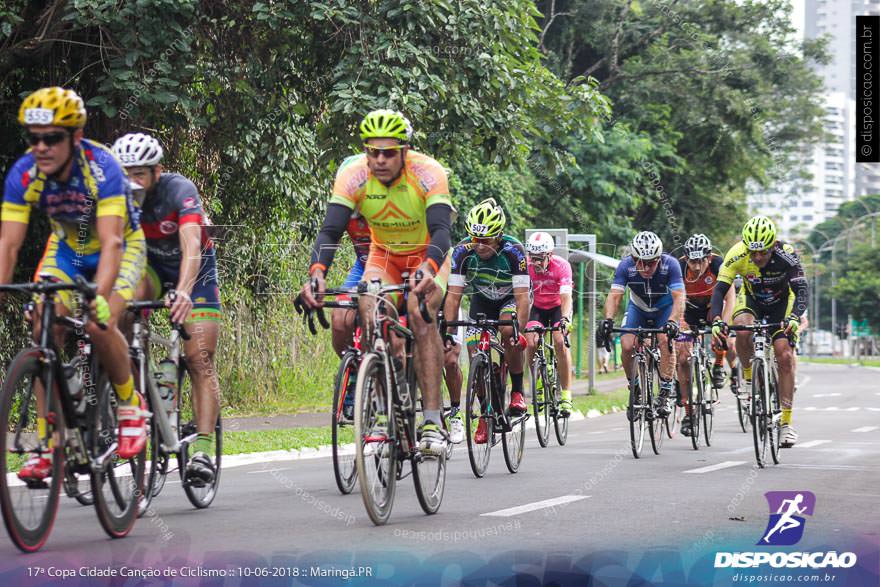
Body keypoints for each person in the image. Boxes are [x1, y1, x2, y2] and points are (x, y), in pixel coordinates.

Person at [1, 87, 147, 479]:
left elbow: (114, 241)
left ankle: (131, 406)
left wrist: (99, 296)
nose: (41, 148)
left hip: (119, 246)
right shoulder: (24, 172)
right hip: (68, 249)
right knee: (42, 325)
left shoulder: (103, 167)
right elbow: (9, 244)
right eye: (34, 139)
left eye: (52, 138)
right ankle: (50, 444)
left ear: (75, 137)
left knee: (101, 324)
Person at [299, 109, 453, 456]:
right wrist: (317, 272)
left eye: (388, 152)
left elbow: (442, 230)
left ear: (404, 151)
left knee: (419, 312)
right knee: (367, 302)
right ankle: (383, 403)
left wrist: (429, 267)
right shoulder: (354, 176)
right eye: (373, 152)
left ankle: (431, 421)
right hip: (383, 255)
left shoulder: (428, 173)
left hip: (428, 255)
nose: (379, 160)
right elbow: (330, 230)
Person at [111, 132, 221, 485]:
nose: (132, 181)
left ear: (157, 172)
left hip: (196, 271)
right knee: (120, 310)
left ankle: (203, 448)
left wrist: (185, 291)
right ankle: (137, 393)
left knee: (199, 356)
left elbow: (191, 247)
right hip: (151, 269)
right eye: (125, 173)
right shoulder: (116, 196)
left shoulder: (178, 190)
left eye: (139, 174)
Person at [710, 216, 809, 448]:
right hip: (752, 299)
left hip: (782, 303)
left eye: (762, 252)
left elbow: (802, 288)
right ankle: (747, 379)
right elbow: (719, 290)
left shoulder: (786, 253)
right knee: (742, 331)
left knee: (784, 356)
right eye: (753, 253)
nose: (757, 257)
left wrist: (794, 317)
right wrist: (716, 319)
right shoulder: (737, 253)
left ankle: (786, 424)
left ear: (772, 245)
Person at [442, 198, 530, 444]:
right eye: (474, 238)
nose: (479, 245)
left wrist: (517, 331)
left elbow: (523, 299)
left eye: (486, 240)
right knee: (473, 353)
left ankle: (517, 391)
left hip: (509, 300)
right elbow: (453, 298)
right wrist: (449, 333)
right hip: (481, 302)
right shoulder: (462, 251)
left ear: (499, 236)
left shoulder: (514, 251)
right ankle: (486, 414)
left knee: (506, 330)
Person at [596, 231, 684, 419]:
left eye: (651, 262)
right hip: (639, 307)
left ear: (659, 259)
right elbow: (615, 295)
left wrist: (672, 321)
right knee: (627, 345)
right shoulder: (625, 266)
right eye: (641, 262)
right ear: (633, 258)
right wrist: (609, 320)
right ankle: (635, 388)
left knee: (664, 338)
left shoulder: (671, 265)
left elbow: (679, 298)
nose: (646, 267)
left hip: (664, 308)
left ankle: (666, 391)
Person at [675, 233, 735, 437]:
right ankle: (689, 415)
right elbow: (673, 300)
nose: (697, 267)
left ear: (708, 258)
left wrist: (723, 325)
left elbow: (730, 297)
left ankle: (718, 366)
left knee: (721, 335)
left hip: (712, 307)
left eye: (701, 261)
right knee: (682, 357)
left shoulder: (719, 264)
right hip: (688, 310)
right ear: (686, 258)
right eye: (692, 261)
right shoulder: (679, 267)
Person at [524, 231, 574, 414]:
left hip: (558, 307)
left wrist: (565, 318)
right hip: (537, 307)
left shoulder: (562, 266)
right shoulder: (526, 267)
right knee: (530, 342)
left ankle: (566, 395)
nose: (535, 263)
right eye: (532, 257)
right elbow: (521, 294)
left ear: (550, 255)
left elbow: (566, 296)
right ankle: (536, 382)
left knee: (560, 342)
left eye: (540, 258)